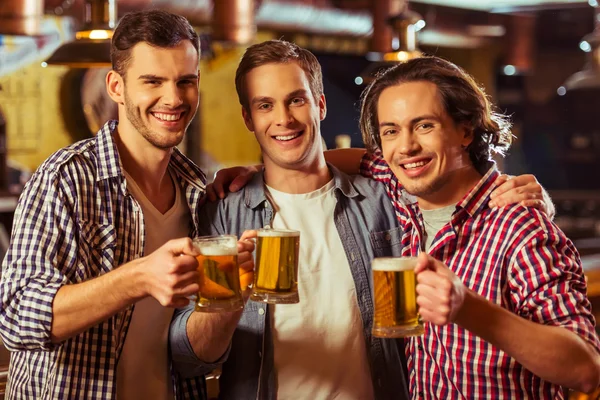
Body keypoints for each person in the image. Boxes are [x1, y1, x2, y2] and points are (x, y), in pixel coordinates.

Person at [0, 10, 253, 399]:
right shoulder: (65, 179)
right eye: (153, 81)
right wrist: (138, 278)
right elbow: (16, 318)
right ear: (116, 87)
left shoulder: (198, 192)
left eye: (185, 82)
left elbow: (199, 355)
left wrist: (231, 295)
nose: (173, 98)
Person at [170, 39, 410, 400]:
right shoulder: (221, 213)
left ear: (321, 105)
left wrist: (505, 186)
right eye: (265, 105)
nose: (283, 119)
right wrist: (228, 299)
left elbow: (409, 333)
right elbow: (191, 358)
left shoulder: (382, 200)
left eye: (296, 100)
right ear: (249, 118)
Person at [358, 56, 600, 398]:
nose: (406, 146)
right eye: (391, 131)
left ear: (466, 130)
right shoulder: (398, 186)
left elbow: (585, 369)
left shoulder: (519, 225)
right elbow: (334, 161)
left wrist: (467, 308)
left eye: (424, 125)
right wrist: (254, 171)